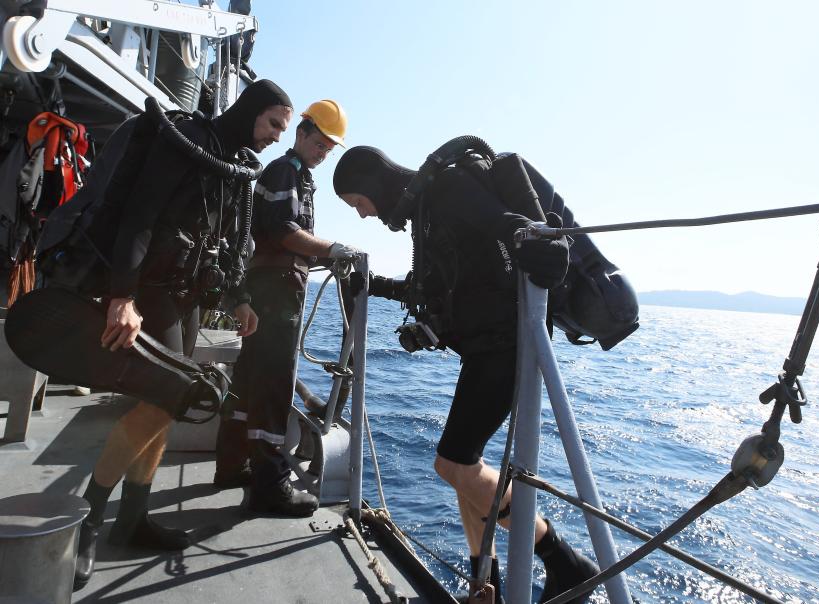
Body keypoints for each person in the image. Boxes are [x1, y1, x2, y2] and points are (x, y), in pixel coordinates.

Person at [332, 146, 600, 603]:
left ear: (373, 184)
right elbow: (434, 289)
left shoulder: (449, 188)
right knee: (464, 467)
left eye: (359, 203)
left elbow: (509, 225)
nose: (364, 214)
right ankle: (486, 583)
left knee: (453, 465)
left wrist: (544, 242)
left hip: (509, 348)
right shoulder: (428, 210)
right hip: (488, 350)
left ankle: (564, 562)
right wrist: (371, 285)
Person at [73, 80, 294, 589]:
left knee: (171, 404)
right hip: (150, 288)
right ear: (251, 112)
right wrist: (121, 296)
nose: (276, 137)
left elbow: (230, 240)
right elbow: (140, 216)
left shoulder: (233, 164)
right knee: (160, 400)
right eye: (274, 124)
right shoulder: (187, 138)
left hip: (189, 293)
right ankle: (88, 518)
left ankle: (132, 519)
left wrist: (239, 297)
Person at [213, 100, 358, 516]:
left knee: (248, 381)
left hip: (269, 287)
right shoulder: (285, 172)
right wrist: (333, 248)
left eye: (330, 148)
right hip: (276, 291)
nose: (323, 152)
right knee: (275, 384)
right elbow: (282, 230)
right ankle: (271, 485)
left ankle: (231, 464)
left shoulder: (296, 177)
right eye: (320, 143)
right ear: (302, 132)